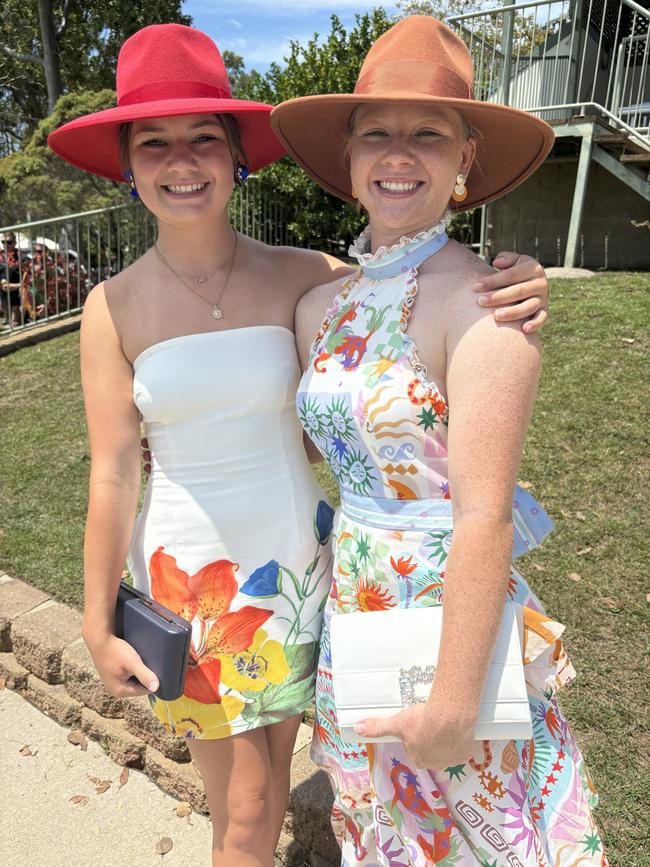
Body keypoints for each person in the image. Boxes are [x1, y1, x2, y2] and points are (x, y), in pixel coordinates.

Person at [48, 23, 553, 867]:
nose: (181, 162)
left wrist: (519, 279)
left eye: (203, 138)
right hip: (199, 587)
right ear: (128, 168)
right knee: (246, 813)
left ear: (236, 154)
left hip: (318, 577)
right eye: (154, 144)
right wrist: (99, 619)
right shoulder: (110, 307)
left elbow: (404, 290)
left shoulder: (306, 277)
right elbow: (110, 474)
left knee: (305, 788)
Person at [272, 15, 607, 866]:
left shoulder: (488, 309)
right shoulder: (321, 307)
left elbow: (484, 515)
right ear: (348, 160)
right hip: (354, 603)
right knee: (383, 828)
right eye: (376, 133)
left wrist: (456, 702)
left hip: (444, 619)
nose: (398, 153)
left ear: (465, 161)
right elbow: (332, 445)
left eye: (429, 133)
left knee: (476, 835)